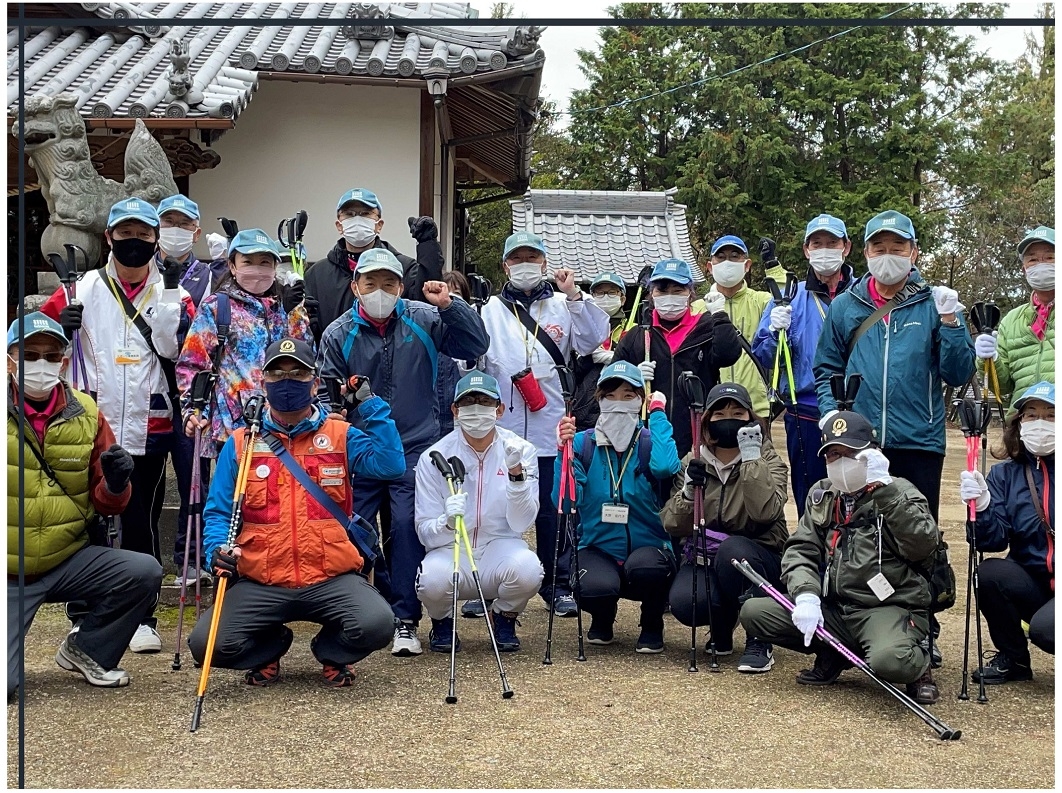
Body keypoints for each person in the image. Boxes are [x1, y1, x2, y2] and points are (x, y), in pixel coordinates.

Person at [188, 338, 404, 686]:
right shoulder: (242, 442)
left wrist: (370, 405)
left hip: (330, 576)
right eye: (277, 373)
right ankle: (270, 646)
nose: (287, 380)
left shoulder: (340, 434)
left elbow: (391, 465)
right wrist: (217, 550)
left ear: (314, 382)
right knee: (207, 645)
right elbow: (219, 512)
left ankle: (333, 651)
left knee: (377, 623)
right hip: (263, 578)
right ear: (264, 381)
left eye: (297, 373)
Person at [318, 248, 489, 656]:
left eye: (389, 284)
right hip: (360, 449)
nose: (381, 292)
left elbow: (475, 342)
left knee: (408, 528)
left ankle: (405, 620)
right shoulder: (338, 334)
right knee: (352, 529)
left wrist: (451, 305)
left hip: (417, 444)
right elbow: (327, 394)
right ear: (356, 286)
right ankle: (354, 611)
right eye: (371, 283)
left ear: (401, 287)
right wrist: (339, 415)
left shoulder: (426, 318)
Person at [40, 197, 192, 655]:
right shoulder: (80, 289)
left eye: (143, 236)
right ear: (109, 238)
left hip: (150, 422)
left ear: (155, 240)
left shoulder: (173, 291)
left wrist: (169, 300)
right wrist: (56, 325)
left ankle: (143, 616)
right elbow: (33, 345)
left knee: (140, 513)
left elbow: (177, 351)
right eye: (125, 235)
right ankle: (83, 614)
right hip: (90, 421)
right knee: (85, 517)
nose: (134, 244)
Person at [739, 410, 942, 704]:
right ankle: (834, 650)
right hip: (834, 606)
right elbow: (800, 550)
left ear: (872, 454)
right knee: (755, 613)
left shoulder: (900, 492)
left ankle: (919, 665)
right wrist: (806, 595)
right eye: (833, 455)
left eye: (851, 453)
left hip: (885, 606)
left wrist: (885, 491)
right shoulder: (822, 494)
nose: (841, 462)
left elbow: (923, 546)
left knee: (890, 662)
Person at [7, 312, 161, 693]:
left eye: (51, 355)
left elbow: (108, 505)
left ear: (64, 361)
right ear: (9, 357)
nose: (40, 364)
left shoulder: (87, 412)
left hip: (67, 558)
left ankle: (88, 649)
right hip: (7, 569)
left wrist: (116, 482)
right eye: (29, 354)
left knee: (142, 570)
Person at [477, 231, 611, 617]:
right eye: (517, 258)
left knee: (554, 509)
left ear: (544, 262)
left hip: (549, 422)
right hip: (500, 423)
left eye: (532, 257)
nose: (524, 265)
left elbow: (591, 341)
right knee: (496, 506)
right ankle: (486, 583)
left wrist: (574, 296)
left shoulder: (561, 307)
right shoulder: (489, 311)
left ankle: (557, 582)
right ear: (505, 265)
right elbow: (474, 358)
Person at [813, 210, 975, 522]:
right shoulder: (845, 306)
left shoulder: (935, 303)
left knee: (916, 534)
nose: (888, 255)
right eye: (880, 248)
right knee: (859, 533)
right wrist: (831, 412)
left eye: (898, 247)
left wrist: (951, 322)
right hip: (857, 442)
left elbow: (958, 373)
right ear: (866, 253)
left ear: (914, 252)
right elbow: (827, 368)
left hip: (919, 442)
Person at [660, 383, 788, 672]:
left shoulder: (770, 460)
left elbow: (766, 512)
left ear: (750, 419)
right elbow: (671, 522)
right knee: (685, 601)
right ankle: (722, 624)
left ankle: (760, 638)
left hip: (759, 556)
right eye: (720, 413)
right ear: (708, 420)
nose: (728, 418)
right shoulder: (693, 459)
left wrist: (752, 459)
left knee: (734, 552)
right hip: (708, 555)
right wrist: (688, 493)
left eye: (737, 412)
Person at [414, 371, 543, 652]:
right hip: (452, 550)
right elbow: (425, 533)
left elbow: (522, 522)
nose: (476, 409)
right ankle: (442, 621)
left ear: (499, 409)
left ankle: (504, 616)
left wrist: (516, 476)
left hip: (500, 546)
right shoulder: (434, 456)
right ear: (455, 411)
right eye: (468, 403)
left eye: (484, 402)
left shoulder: (521, 450)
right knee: (431, 580)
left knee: (529, 570)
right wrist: (447, 522)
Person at [556, 361, 681, 652]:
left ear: (640, 400)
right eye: (610, 396)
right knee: (594, 586)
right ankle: (602, 617)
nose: (618, 403)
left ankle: (652, 621)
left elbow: (665, 467)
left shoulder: (650, 442)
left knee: (648, 568)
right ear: (598, 400)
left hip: (649, 548)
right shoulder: (583, 444)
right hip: (598, 548)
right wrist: (563, 453)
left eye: (628, 396)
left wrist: (658, 415)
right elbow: (564, 501)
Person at [178, 229, 312, 461]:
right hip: (232, 427)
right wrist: (192, 411)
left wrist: (291, 313)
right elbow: (192, 363)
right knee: (234, 495)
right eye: (248, 262)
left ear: (274, 268)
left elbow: (306, 357)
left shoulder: (287, 306)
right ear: (232, 265)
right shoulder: (217, 307)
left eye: (264, 263)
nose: (256, 270)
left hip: (284, 421)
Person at [753, 214, 856, 515]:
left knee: (858, 492)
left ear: (846, 247)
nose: (825, 249)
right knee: (812, 496)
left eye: (832, 243)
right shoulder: (789, 297)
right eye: (817, 243)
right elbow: (764, 357)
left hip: (858, 407)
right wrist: (773, 332)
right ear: (806, 250)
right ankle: (813, 557)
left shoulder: (863, 293)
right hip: (806, 411)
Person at [959, 380, 1055, 683]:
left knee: (1047, 630)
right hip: (1036, 582)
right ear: (1019, 423)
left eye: (1051, 415)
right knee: (989, 574)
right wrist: (982, 507)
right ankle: (1014, 660)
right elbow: (990, 541)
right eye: (1032, 415)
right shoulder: (1004, 474)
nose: (1041, 422)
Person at [613, 258, 742, 458]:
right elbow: (610, 382)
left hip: (695, 434)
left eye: (678, 290)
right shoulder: (638, 335)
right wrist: (633, 376)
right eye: (662, 291)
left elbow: (728, 355)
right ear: (652, 295)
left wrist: (719, 316)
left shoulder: (706, 327)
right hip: (646, 435)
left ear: (690, 294)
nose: (669, 297)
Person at [155, 194, 210, 586]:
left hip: (194, 392)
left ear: (196, 231)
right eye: (168, 222)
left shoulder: (212, 275)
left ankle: (190, 560)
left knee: (196, 475)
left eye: (183, 223)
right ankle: (143, 565)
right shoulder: (139, 270)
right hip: (150, 391)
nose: (175, 230)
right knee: (148, 482)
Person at [304, 188, 444, 340]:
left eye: (365, 213)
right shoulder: (317, 275)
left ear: (379, 224)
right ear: (339, 225)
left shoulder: (403, 268)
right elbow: (306, 331)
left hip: (392, 359)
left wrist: (428, 246)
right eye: (349, 214)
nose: (357, 219)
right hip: (337, 360)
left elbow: (427, 303)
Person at [695, 235, 784, 417]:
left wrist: (772, 265)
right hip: (713, 408)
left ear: (747, 265)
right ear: (710, 267)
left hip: (756, 407)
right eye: (721, 257)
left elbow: (785, 301)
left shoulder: (761, 301)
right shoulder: (697, 309)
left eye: (735, 256)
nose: (727, 262)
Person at [974, 226, 1054, 409]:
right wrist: (989, 359)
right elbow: (1002, 387)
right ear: (1024, 268)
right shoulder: (1012, 320)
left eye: (1050, 258)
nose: (1041, 264)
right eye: (1032, 259)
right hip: (1024, 424)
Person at [571, 272, 628, 432]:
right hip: (584, 413)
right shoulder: (581, 329)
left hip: (621, 412)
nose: (606, 297)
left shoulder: (633, 331)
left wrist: (617, 358)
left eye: (611, 293)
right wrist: (588, 356)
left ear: (622, 299)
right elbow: (574, 370)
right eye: (600, 293)